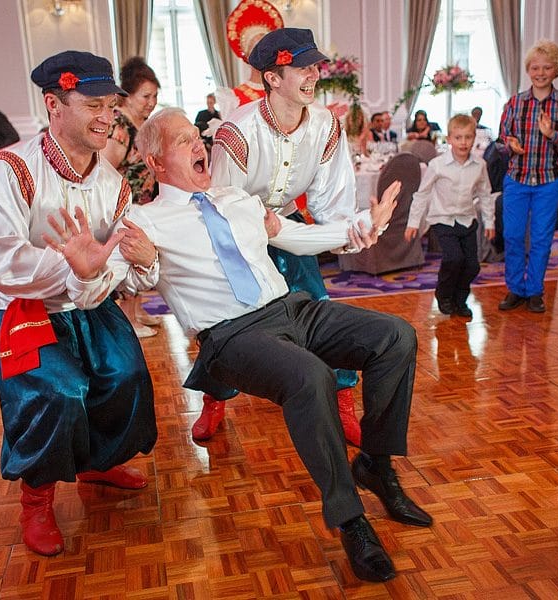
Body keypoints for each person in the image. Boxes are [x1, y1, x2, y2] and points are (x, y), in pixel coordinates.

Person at [103, 107, 430, 583]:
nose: (200, 146)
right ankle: (351, 520)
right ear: (154, 162)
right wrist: (148, 262)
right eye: (184, 141)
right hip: (232, 335)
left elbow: (297, 238)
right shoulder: (144, 220)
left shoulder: (237, 198)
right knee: (310, 377)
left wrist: (362, 225)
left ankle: (376, 463)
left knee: (396, 336)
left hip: (292, 309)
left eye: (199, 137)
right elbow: (128, 278)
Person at [0, 50, 157, 557]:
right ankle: (37, 498)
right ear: (53, 104)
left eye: (111, 106)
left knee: (125, 374)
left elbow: (116, 257)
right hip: (21, 304)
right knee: (57, 391)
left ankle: (97, 460)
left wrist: (97, 273)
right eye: (93, 104)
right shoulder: (9, 171)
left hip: (86, 297)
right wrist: (70, 268)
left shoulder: (113, 184)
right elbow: (0, 262)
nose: (107, 117)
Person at [210, 28, 367, 447]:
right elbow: (221, 208)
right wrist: (255, 235)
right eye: (302, 68)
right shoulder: (236, 134)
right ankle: (215, 398)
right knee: (227, 319)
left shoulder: (326, 125)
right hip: (237, 233)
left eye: (315, 66)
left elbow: (334, 202)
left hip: (288, 223)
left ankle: (344, 402)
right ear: (272, 78)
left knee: (318, 308)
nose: (314, 75)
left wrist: (347, 232)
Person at [497, 40, 558, 314]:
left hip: (549, 180)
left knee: (542, 238)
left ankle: (534, 290)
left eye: (547, 67)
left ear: (556, 70)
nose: (540, 72)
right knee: (512, 235)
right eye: (535, 67)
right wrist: (510, 145)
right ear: (528, 70)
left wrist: (551, 135)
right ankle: (515, 289)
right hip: (517, 179)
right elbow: (501, 140)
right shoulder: (514, 102)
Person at [405, 114, 495, 318]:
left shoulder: (480, 165)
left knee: (472, 265)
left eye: (468, 137)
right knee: (454, 258)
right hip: (443, 219)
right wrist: (413, 223)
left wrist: (490, 223)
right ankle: (444, 295)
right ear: (449, 139)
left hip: (467, 219)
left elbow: (485, 194)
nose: (463, 142)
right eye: (458, 137)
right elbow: (422, 194)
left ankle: (460, 299)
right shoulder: (437, 165)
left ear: (474, 138)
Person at [103, 56, 162, 337]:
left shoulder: (139, 125)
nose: (151, 102)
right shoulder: (120, 128)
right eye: (145, 96)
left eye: (154, 96)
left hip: (141, 204)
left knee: (140, 259)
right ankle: (128, 321)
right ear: (127, 96)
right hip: (125, 208)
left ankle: (137, 312)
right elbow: (107, 171)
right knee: (128, 260)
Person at [215, 0, 285, 117]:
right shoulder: (233, 98)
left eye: (267, 49)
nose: (263, 55)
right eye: (256, 50)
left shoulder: (283, 91)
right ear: (247, 56)